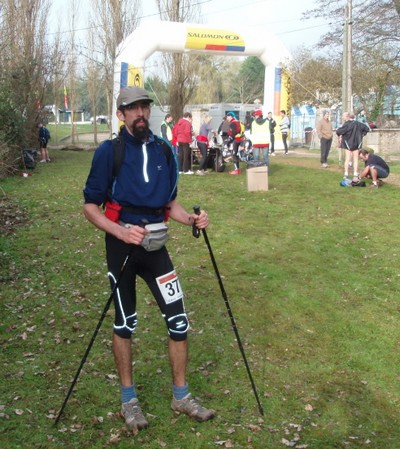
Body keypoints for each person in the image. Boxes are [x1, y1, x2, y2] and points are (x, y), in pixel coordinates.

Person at [83, 86, 215, 432]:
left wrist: (192, 220)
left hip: (157, 250)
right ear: (121, 115)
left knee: (179, 320)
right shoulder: (108, 152)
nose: (141, 114)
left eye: (145, 107)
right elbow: (89, 207)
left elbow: (170, 204)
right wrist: (120, 232)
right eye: (133, 109)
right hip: (123, 249)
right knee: (125, 324)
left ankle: (181, 396)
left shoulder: (165, 151)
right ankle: (129, 401)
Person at [336, 112, 370, 180]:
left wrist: (342, 134)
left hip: (348, 144)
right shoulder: (359, 124)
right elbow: (367, 129)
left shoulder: (346, 124)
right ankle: (355, 173)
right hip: (357, 144)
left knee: (347, 159)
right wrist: (362, 135)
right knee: (355, 159)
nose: (342, 117)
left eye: (343, 116)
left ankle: (346, 173)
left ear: (347, 117)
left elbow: (338, 132)